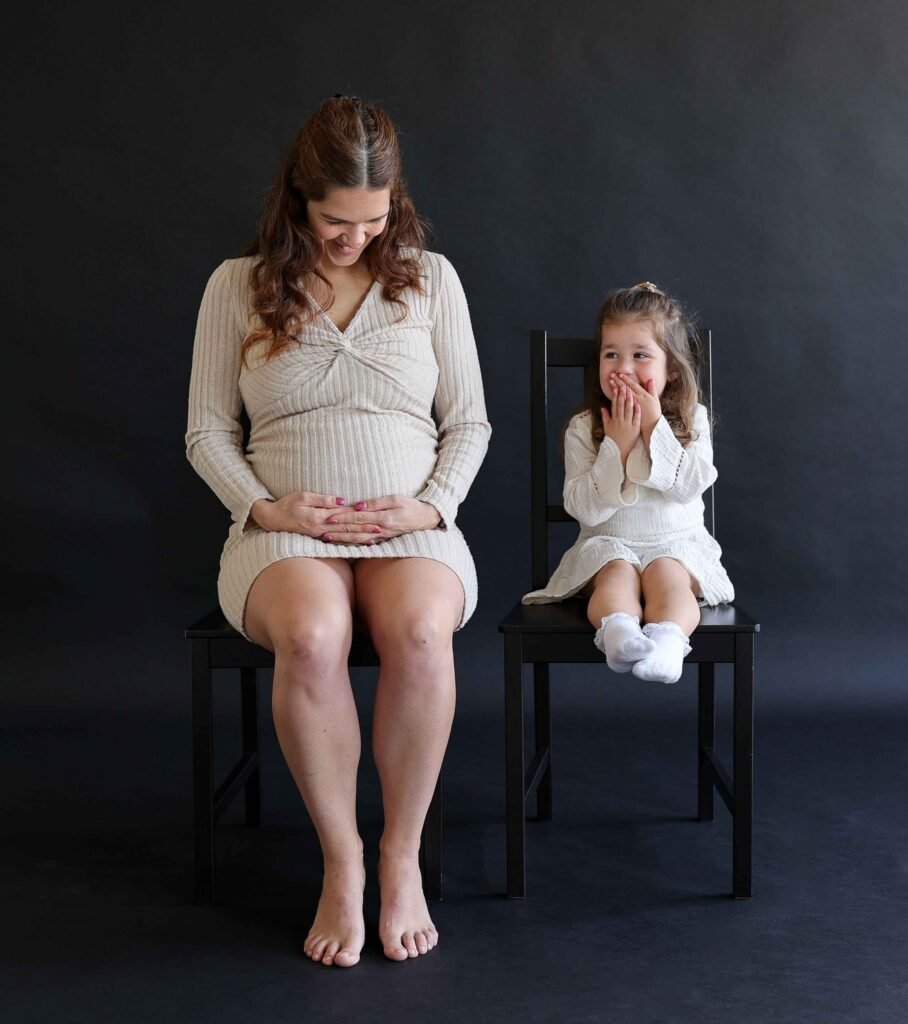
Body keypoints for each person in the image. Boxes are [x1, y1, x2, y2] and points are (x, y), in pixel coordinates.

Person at [186, 96, 490, 967]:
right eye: (334, 221)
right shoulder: (234, 287)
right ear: (296, 201)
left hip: (412, 526)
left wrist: (431, 505)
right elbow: (207, 430)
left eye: (373, 219)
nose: (353, 237)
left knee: (424, 633)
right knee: (315, 639)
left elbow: (468, 423)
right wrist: (265, 507)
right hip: (283, 533)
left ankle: (400, 858)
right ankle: (341, 859)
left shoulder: (433, 280)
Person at [522, 282, 733, 684]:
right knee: (616, 572)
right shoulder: (585, 428)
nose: (623, 368)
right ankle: (619, 635)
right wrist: (615, 446)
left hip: (676, 546)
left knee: (667, 574)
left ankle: (669, 643)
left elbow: (688, 487)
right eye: (611, 354)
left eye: (640, 356)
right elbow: (582, 508)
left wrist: (654, 427)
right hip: (608, 544)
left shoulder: (693, 420)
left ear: (670, 368)